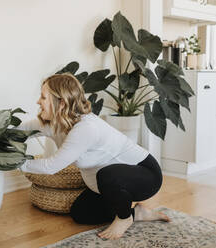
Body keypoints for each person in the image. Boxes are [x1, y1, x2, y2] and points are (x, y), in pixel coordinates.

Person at [18, 73, 169, 240]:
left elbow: (52, 166)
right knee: (81, 214)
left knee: (106, 175)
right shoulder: (53, 122)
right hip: (104, 184)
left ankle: (124, 218)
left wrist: (17, 163)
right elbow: (18, 131)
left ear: (60, 103)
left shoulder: (85, 128)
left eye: (43, 97)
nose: (38, 101)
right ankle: (136, 213)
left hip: (146, 175)